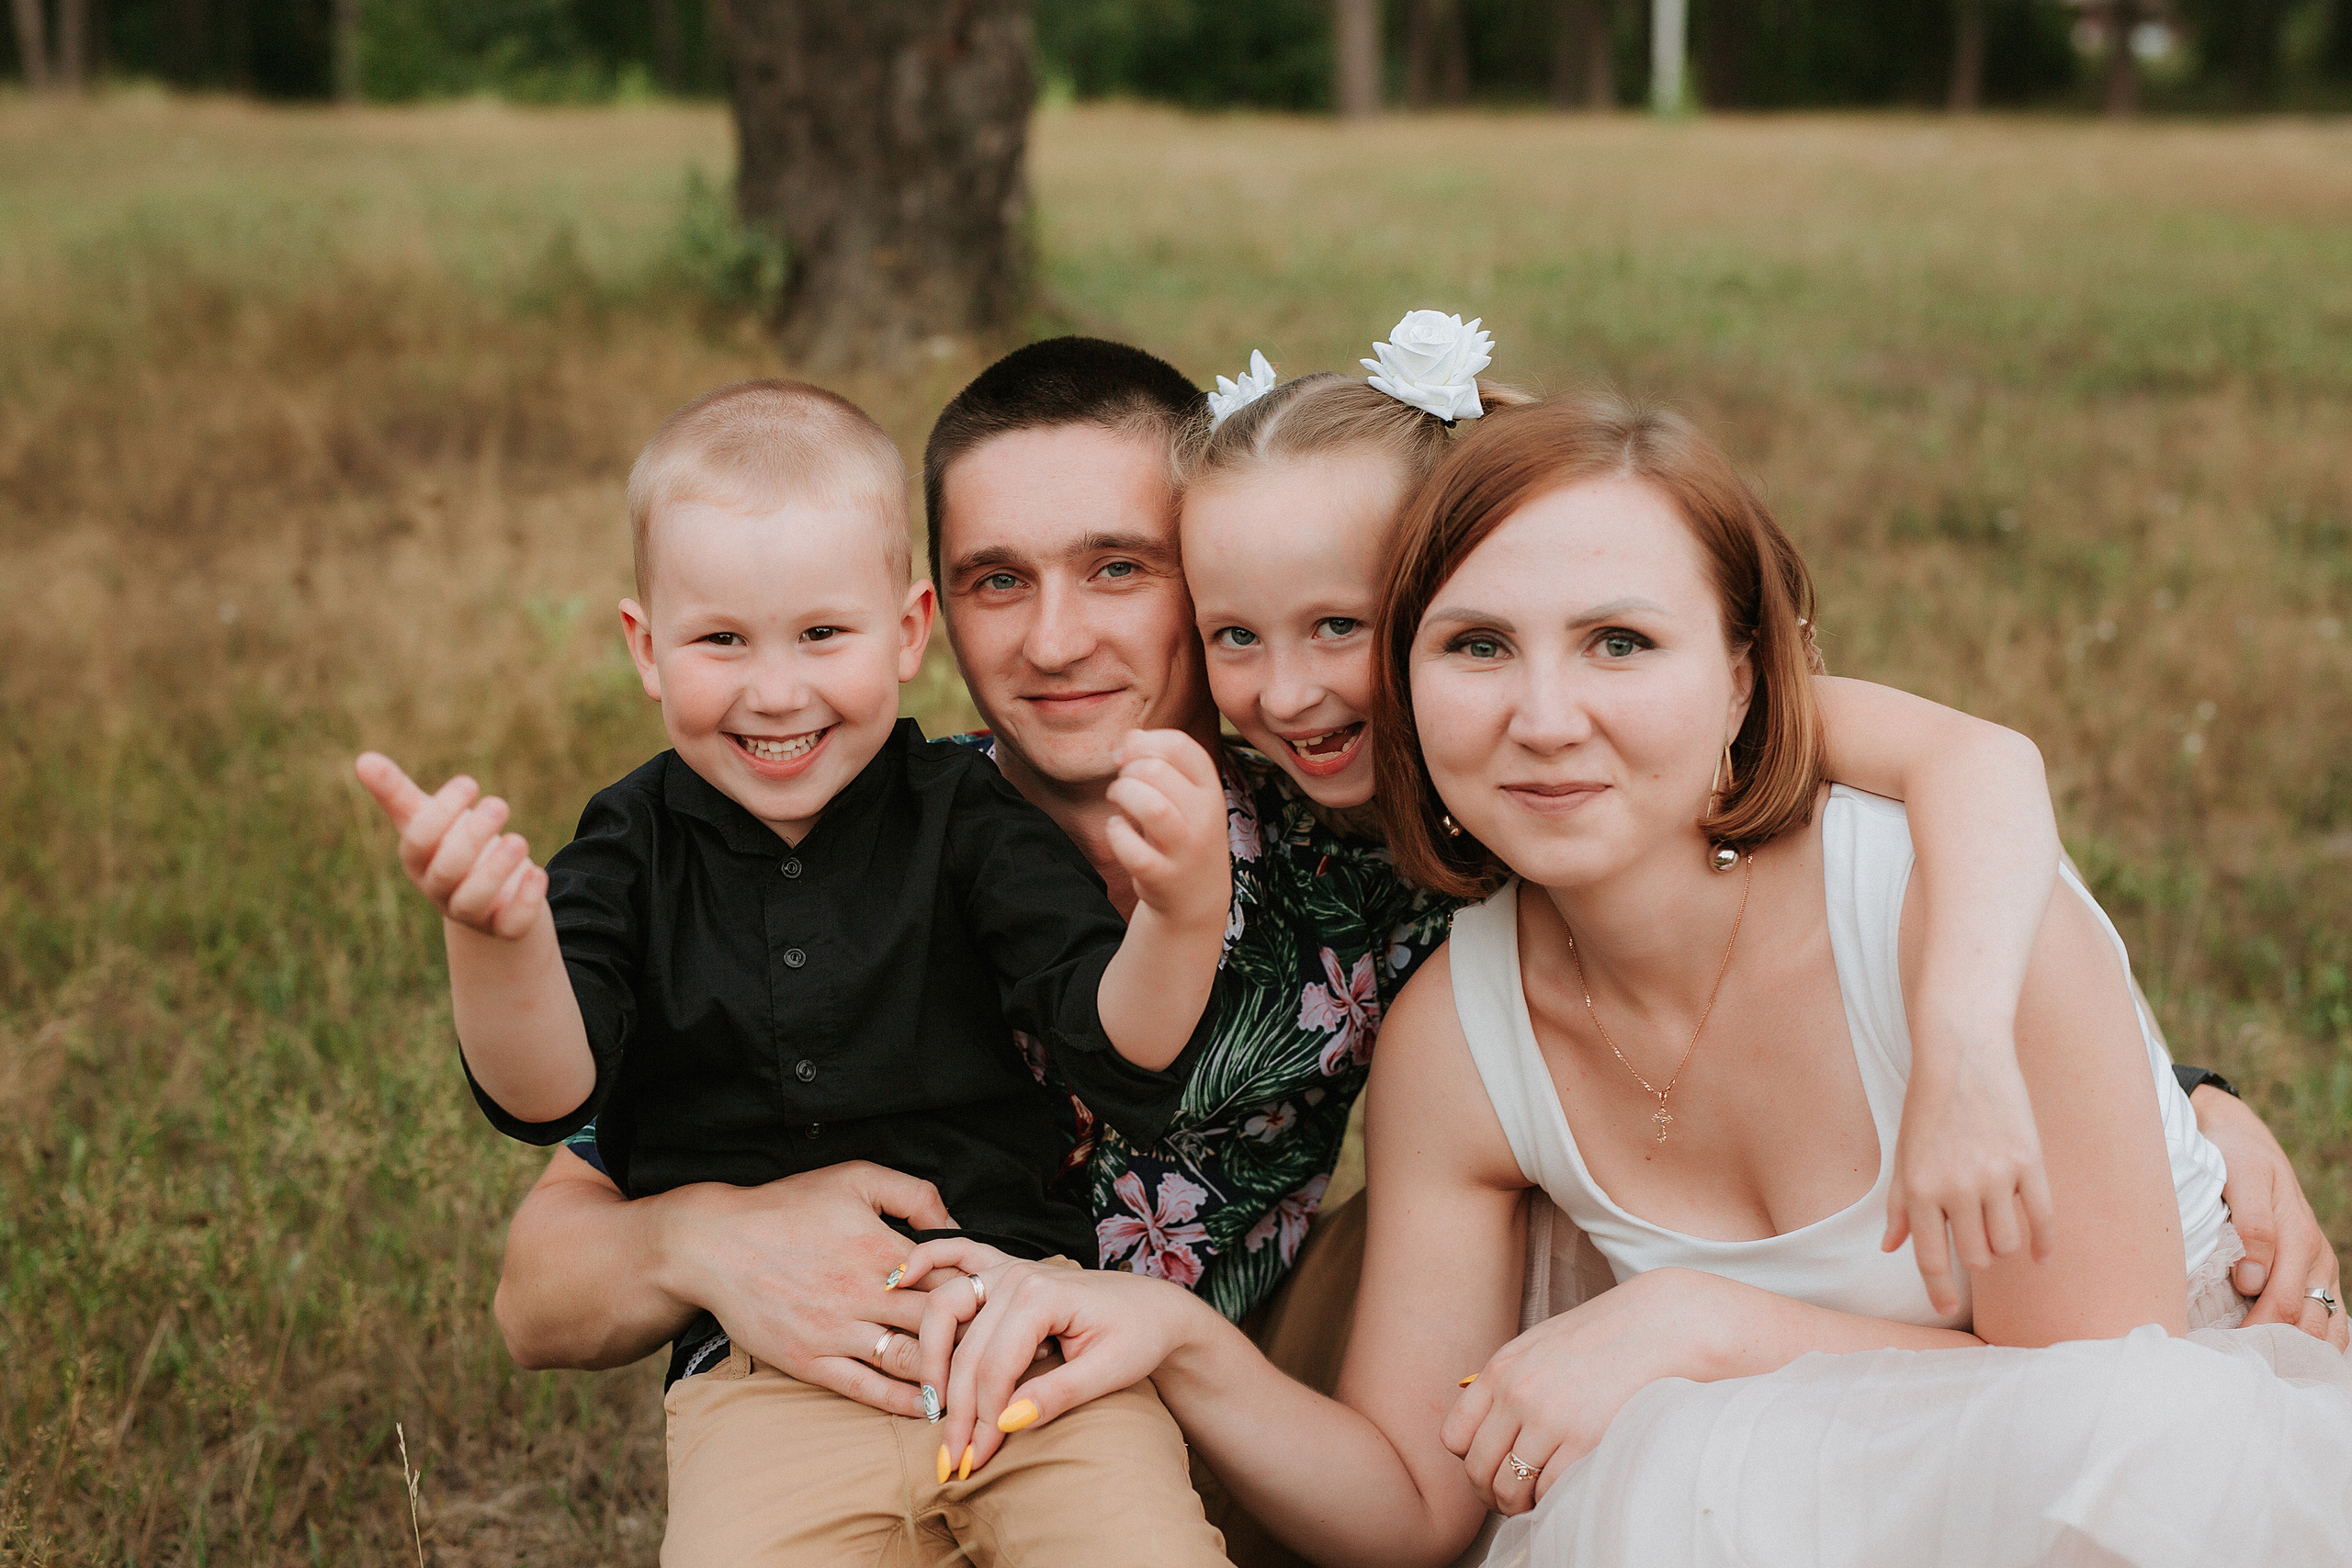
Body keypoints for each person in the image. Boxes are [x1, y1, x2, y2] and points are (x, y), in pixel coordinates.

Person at [490, 342, 2342, 1562]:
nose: (1059, 638)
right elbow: (545, 1268)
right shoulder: (845, 815)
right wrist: (701, 1231)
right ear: (925, 615)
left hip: (1236, 1424)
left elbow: (1915, 776)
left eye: (1122, 573)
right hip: (930, 1395)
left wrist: (2155, 1094)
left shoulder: (1370, 820)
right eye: (995, 578)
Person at [354, 379, 1237, 1565]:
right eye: (722, 640)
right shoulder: (629, 846)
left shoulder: (970, 817)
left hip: (1023, 1342)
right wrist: (495, 938)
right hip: (770, 1382)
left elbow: (1111, 1042)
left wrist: (1180, 913)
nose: (776, 692)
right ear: (645, 647)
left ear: (908, 630)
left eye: (823, 635)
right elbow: (545, 1094)